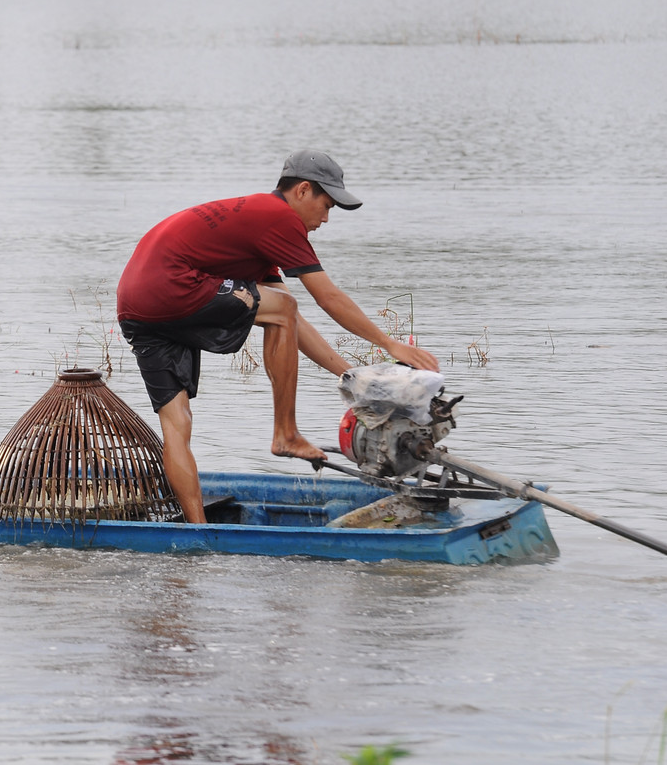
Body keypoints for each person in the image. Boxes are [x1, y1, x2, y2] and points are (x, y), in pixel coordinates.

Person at [116, 149, 440, 523]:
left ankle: (197, 532)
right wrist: (389, 344)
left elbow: (292, 321)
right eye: (327, 204)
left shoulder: (253, 230)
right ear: (303, 190)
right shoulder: (278, 217)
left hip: (136, 305)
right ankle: (285, 433)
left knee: (177, 425)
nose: (326, 218)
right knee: (282, 308)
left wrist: (355, 378)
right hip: (170, 286)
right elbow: (327, 296)